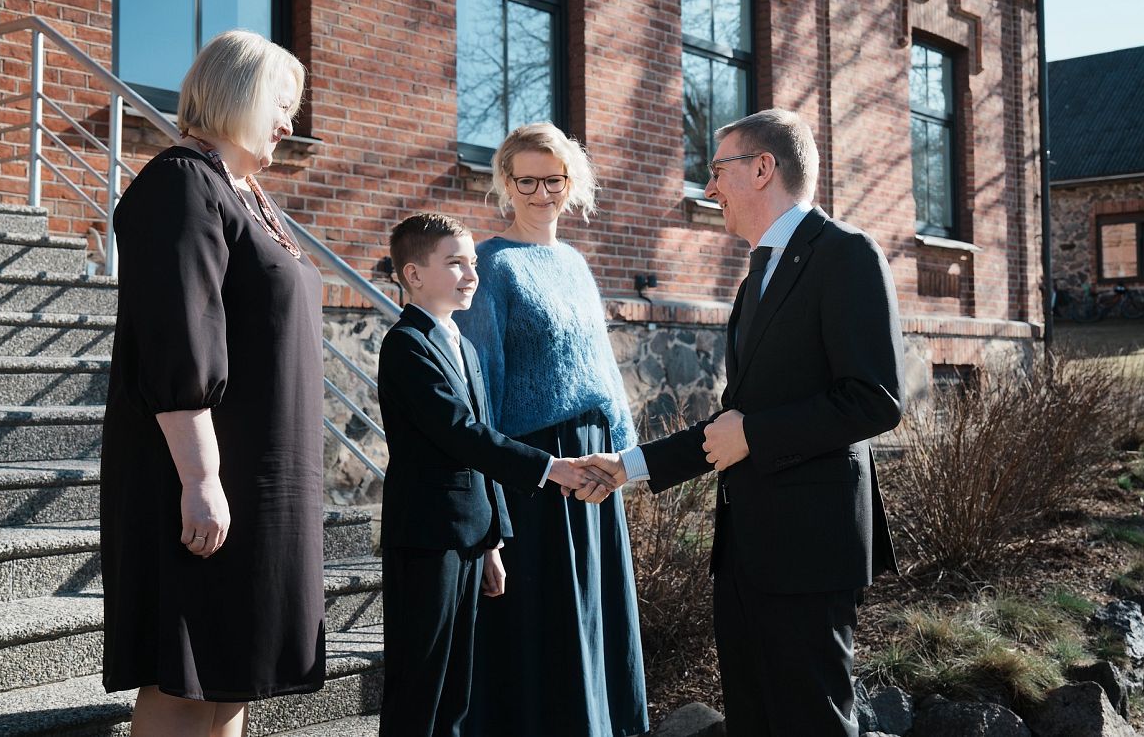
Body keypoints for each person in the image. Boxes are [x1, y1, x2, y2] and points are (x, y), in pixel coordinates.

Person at [581, 108, 902, 737]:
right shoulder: (758, 272)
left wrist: (753, 434)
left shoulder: (846, 254)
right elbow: (735, 422)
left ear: (762, 169)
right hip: (745, 553)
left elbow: (875, 399)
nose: (708, 189)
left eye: (717, 169)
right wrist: (629, 467)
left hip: (810, 552)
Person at [100, 30, 324, 737]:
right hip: (201, 472)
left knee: (230, 674)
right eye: (281, 105)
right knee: (187, 676)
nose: (290, 122)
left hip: (258, 478)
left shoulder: (247, 193)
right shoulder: (181, 183)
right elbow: (178, 339)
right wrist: (201, 479)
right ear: (238, 93)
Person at [376, 212, 614, 737]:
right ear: (413, 274)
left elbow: (485, 439)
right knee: (420, 687)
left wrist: (493, 541)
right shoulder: (406, 345)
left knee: (457, 692)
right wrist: (551, 468)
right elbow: (462, 434)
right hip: (427, 539)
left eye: (473, 264)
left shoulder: (465, 345)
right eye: (455, 264)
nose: (471, 275)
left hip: (471, 535)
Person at [455, 123, 649, 737]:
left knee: (593, 615)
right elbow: (482, 391)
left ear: (572, 182)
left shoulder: (575, 262)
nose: (542, 193)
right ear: (505, 184)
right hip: (533, 474)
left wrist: (625, 458)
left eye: (554, 180)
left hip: (595, 466)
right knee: (544, 629)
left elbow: (603, 370)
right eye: (527, 181)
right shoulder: (492, 266)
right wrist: (490, 509)